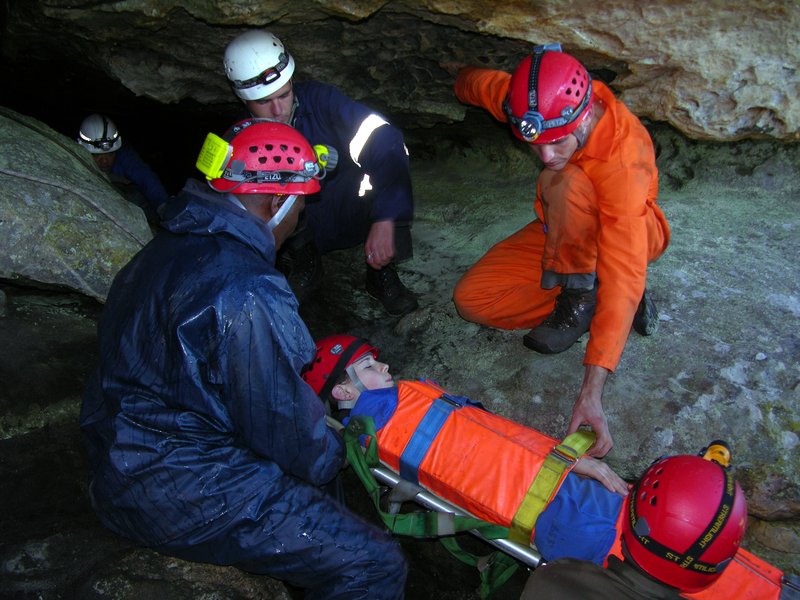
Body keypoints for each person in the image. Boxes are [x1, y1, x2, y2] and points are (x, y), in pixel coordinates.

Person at [79, 122, 406, 600]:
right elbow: (284, 431)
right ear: (276, 204)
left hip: (117, 461)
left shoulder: (159, 251)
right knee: (374, 563)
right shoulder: (249, 290)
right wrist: (346, 450)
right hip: (177, 487)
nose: (300, 219)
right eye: (301, 205)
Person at [302, 335, 794, 600]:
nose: (384, 367)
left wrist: (568, 461)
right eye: (367, 366)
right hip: (556, 511)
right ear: (344, 394)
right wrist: (567, 465)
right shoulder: (382, 417)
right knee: (666, 549)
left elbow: (497, 442)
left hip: (549, 494)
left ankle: (771, 588)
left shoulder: (395, 408)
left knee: (663, 544)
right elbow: (492, 454)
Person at [446, 44, 672, 458]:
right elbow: (487, 87)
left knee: (563, 181)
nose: (545, 155)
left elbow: (625, 273)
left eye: (557, 142)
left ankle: (583, 295)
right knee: (472, 300)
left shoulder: (623, 159)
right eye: (537, 144)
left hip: (628, 237)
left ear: (583, 117)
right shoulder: (540, 106)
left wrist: (592, 390)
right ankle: (590, 294)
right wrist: (457, 75)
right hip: (560, 232)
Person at [222, 30, 418, 316]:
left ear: (292, 82)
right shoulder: (240, 139)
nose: (277, 109)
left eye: (284, 95)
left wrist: (386, 218)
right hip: (300, 228)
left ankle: (381, 272)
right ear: (243, 100)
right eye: (263, 101)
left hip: (349, 205)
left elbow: (386, 141)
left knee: (391, 171)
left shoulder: (322, 103)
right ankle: (306, 263)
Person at [77, 113, 171, 222]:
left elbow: (145, 178)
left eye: (110, 154)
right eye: (96, 155)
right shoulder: (72, 158)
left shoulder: (124, 155)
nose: (104, 161)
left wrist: (163, 206)